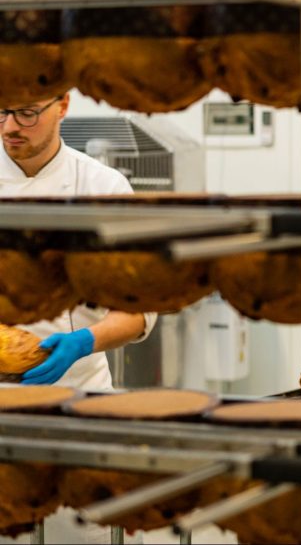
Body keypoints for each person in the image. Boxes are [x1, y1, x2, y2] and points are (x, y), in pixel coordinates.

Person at [0, 92, 156, 542]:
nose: (11, 126)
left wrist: (82, 342)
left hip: (79, 408)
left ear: (63, 104)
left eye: (28, 112)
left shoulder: (103, 188)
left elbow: (136, 311)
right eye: (2, 111)